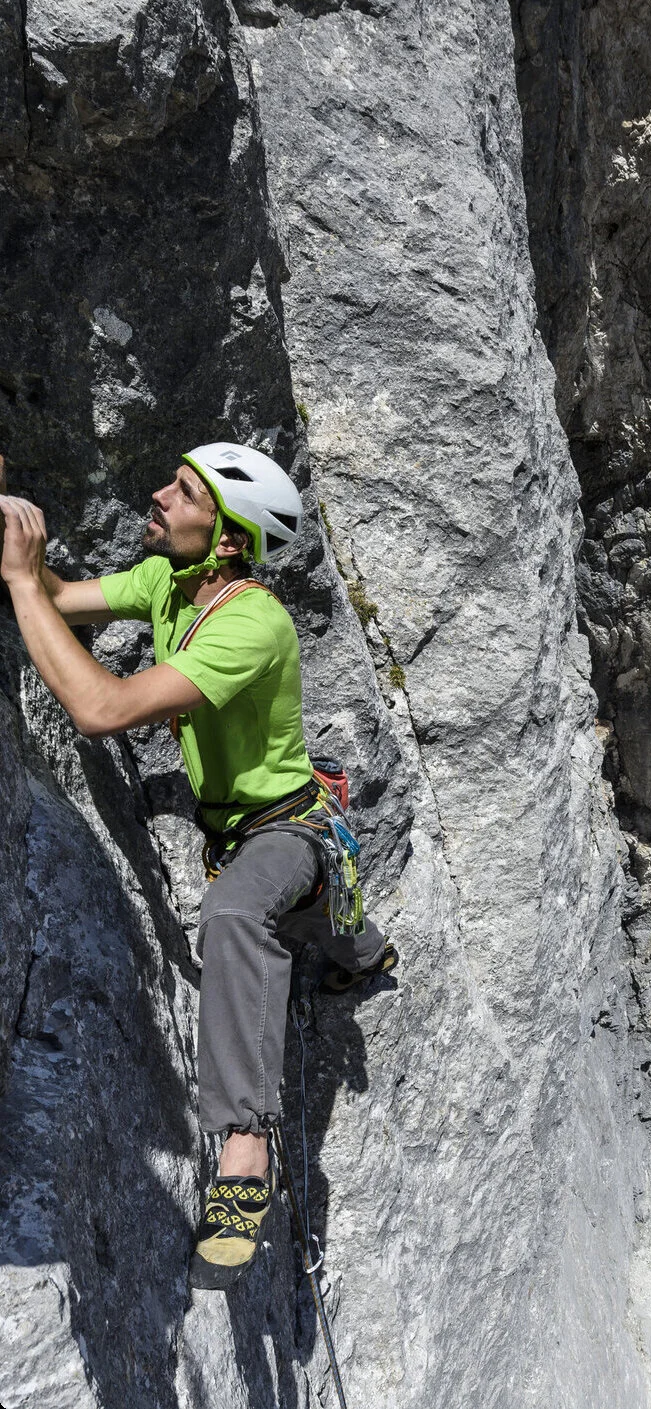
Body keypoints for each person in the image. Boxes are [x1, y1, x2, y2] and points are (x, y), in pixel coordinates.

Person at [0, 443, 395, 1291]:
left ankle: (246, 1148)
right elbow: (67, 601)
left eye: (183, 493)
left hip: (287, 828)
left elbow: (102, 707)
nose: (159, 495)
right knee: (323, 928)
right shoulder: (166, 583)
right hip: (250, 827)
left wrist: (23, 585)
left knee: (240, 915)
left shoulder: (256, 622)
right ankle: (361, 954)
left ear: (226, 538)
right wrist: (16, 540)